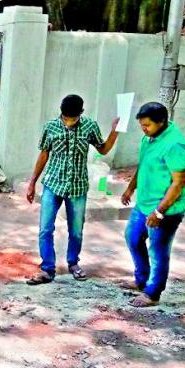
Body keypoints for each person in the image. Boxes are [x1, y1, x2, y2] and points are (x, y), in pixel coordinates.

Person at [25, 94, 120, 285]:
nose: (68, 123)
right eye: (66, 118)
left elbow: (103, 149)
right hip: (53, 184)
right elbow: (44, 154)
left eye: (73, 119)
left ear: (81, 114)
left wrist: (114, 132)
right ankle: (47, 268)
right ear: (61, 112)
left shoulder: (89, 126)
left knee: (76, 229)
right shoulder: (50, 127)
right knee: (45, 229)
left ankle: (73, 263)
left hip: (77, 186)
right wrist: (32, 182)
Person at [121, 102, 185, 307]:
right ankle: (142, 279)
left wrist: (159, 212)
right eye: (142, 125)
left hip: (166, 209)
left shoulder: (175, 145)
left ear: (161, 122)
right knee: (133, 238)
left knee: (158, 250)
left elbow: (179, 183)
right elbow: (143, 166)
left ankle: (153, 292)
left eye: (147, 125)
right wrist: (130, 188)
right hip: (143, 204)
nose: (143, 129)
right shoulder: (149, 139)